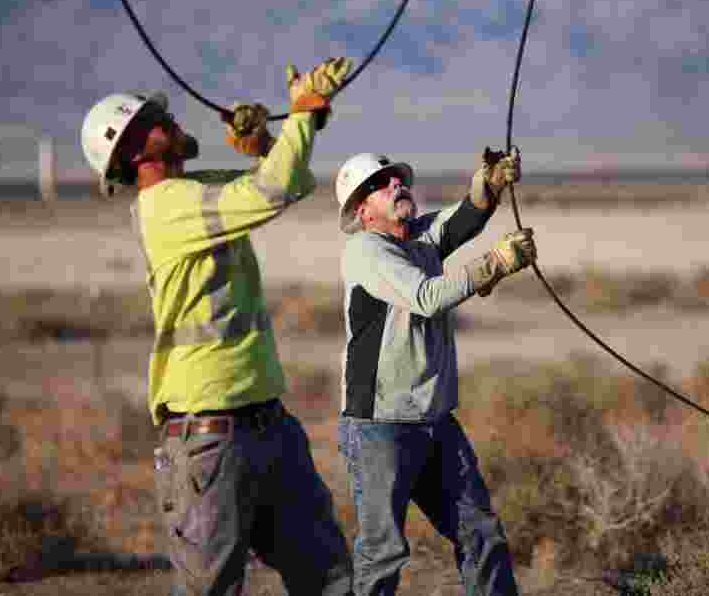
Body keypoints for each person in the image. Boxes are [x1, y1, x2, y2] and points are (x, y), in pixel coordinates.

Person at [80, 57, 355, 596]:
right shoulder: (166, 206)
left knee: (330, 580)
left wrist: (271, 143)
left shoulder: (194, 191)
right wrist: (301, 114)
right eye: (156, 119)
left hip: (266, 425)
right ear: (136, 152)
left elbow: (288, 182)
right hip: (211, 441)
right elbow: (269, 193)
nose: (171, 119)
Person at [334, 148, 537, 596]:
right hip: (379, 426)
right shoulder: (366, 250)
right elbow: (427, 296)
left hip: (436, 422)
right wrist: (495, 264)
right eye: (378, 184)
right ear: (361, 210)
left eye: (395, 178)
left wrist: (489, 187)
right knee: (382, 553)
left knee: (481, 535)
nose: (394, 185)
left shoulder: (419, 239)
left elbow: (463, 219)